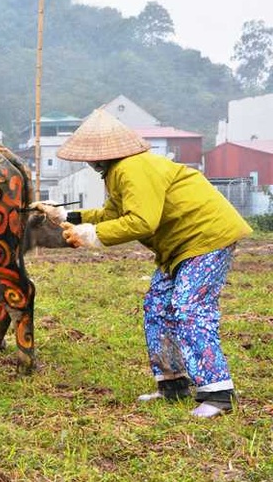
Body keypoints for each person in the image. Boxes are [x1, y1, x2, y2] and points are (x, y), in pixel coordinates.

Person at [35, 109, 252, 418]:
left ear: (99, 154)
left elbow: (141, 222)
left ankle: (218, 392)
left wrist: (92, 235)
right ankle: (172, 384)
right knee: (157, 306)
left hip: (205, 237)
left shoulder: (132, 169)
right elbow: (113, 214)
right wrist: (67, 216)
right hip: (179, 246)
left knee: (190, 308)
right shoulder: (120, 171)